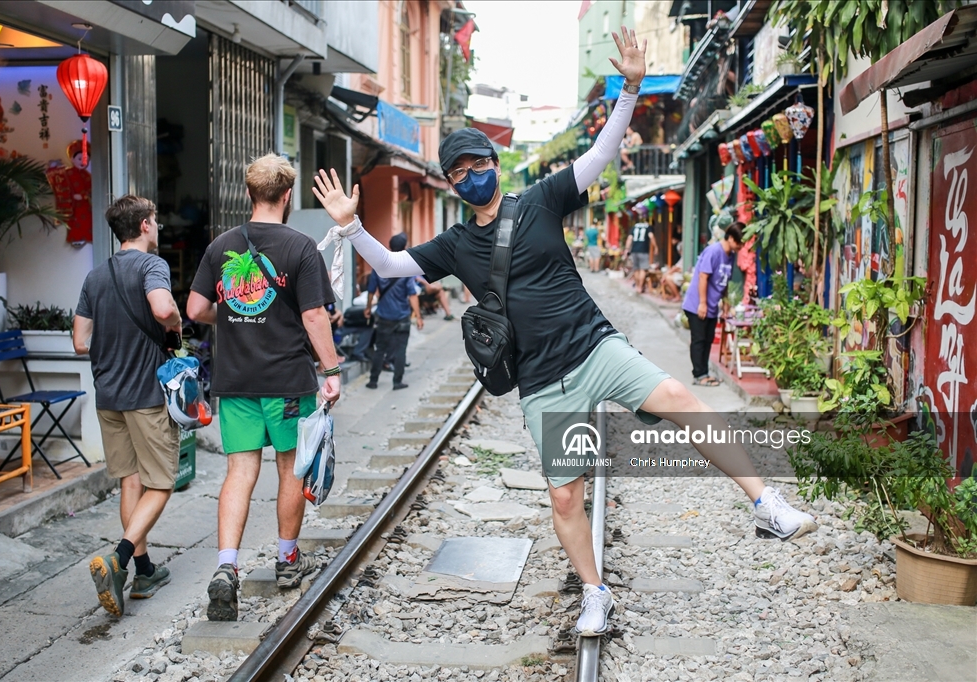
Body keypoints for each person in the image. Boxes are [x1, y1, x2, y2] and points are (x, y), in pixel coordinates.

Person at [312, 25, 816, 639]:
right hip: (543, 382)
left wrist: (630, 88)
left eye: (478, 164)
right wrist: (350, 227)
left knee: (681, 398)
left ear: (495, 165)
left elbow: (600, 154)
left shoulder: (542, 199)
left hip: (594, 346)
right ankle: (595, 593)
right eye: (459, 171)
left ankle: (766, 503)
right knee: (565, 498)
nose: (471, 175)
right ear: (451, 183)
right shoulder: (454, 243)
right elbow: (393, 265)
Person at [186, 153, 342, 621]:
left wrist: (232, 319)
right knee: (291, 468)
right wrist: (332, 370)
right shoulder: (301, 248)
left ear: (248, 193)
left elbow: (195, 309)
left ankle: (226, 567)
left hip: (236, 381)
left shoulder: (221, 246)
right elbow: (314, 315)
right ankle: (287, 559)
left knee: (239, 470)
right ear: (287, 195)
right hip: (287, 381)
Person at [75, 195, 181, 617]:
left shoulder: (95, 276)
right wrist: (174, 323)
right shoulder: (152, 265)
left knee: (131, 482)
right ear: (144, 226)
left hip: (109, 395)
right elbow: (162, 307)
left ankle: (145, 570)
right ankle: (118, 559)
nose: (157, 227)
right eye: (155, 221)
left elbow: (79, 341)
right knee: (162, 482)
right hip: (145, 395)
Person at [682, 224, 743, 387]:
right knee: (699, 340)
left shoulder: (730, 255)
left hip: (712, 305)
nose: (741, 246)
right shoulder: (713, 251)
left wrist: (725, 302)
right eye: (740, 242)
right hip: (697, 304)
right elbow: (703, 277)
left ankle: (704, 373)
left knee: (708, 339)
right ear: (731, 238)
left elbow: (725, 280)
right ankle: (699, 375)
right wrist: (702, 303)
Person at [363, 233, 423, 390]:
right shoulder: (407, 268)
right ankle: (397, 382)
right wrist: (418, 316)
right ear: (404, 247)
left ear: (389, 247)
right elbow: (412, 295)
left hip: (384, 316)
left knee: (380, 349)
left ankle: (373, 381)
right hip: (402, 316)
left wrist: (368, 308)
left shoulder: (379, 266)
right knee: (400, 349)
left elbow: (371, 291)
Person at [623, 221, 656, 292]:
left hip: (634, 250)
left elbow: (629, 238)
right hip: (643, 251)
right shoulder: (648, 227)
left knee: (636, 269)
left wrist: (626, 249)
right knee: (642, 269)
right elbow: (651, 236)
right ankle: (640, 287)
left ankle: (637, 286)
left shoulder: (634, 227)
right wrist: (655, 246)